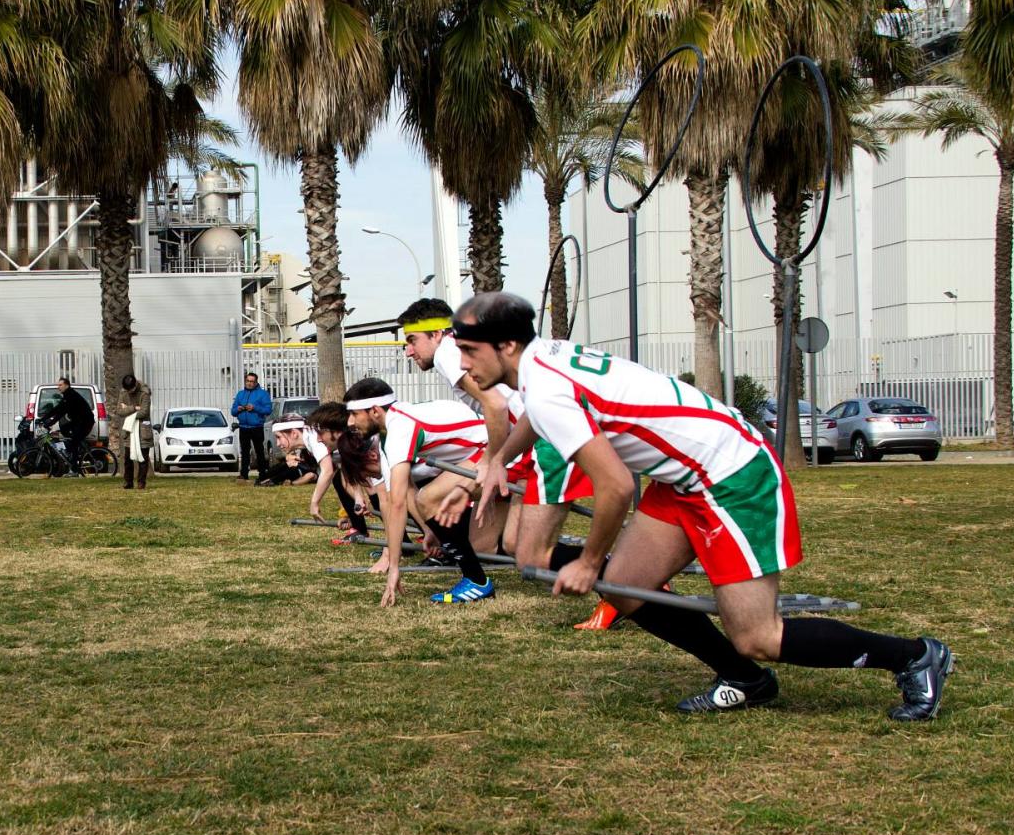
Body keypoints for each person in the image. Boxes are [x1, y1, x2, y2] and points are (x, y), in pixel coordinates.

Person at [457, 291, 954, 720]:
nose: (462, 364)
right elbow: (546, 410)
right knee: (626, 591)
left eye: (469, 351)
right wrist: (501, 456)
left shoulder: (543, 388)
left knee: (759, 636)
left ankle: (913, 657)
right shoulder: (544, 358)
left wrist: (588, 562)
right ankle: (744, 680)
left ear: (507, 346)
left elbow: (615, 488)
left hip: (731, 473)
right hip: (684, 477)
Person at [399, 297, 616, 631]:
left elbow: (496, 406)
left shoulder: (448, 352)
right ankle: (476, 578)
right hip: (524, 443)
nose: (408, 351)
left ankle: (624, 576)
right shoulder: (461, 349)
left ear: (438, 333)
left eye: (411, 340)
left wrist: (490, 461)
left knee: (429, 499)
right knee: (507, 545)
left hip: (540, 443)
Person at [343, 377, 499, 608]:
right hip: (486, 452)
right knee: (512, 551)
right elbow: (401, 492)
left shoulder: (400, 428)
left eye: (354, 414)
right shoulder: (390, 430)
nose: (349, 422)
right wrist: (430, 530)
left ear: (375, 411)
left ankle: (476, 581)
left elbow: (397, 504)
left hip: (498, 451)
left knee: (428, 497)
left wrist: (394, 568)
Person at [304, 402, 370, 544]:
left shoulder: (361, 442)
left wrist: (314, 503)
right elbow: (349, 475)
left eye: (321, 433)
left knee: (382, 497)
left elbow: (328, 471)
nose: (319, 439)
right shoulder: (345, 446)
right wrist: (354, 504)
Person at [39, 377, 95, 475]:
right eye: (58, 385)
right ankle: (69, 451)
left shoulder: (71, 396)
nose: (58, 387)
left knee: (74, 442)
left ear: (66, 385)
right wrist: (43, 419)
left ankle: (74, 470)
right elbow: (57, 409)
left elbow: (61, 412)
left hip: (85, 423)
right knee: (64, 429)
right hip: (78, 422)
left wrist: (49, 423)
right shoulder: (67, 395)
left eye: (60, 385)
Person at [230, 372, 273, 481]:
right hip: (244, 427)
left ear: (256, 382)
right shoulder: (240, 394)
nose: (249, 383)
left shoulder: (263, 394)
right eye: (248, 381)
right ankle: (244, 474)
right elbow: (233, 411)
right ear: (245, 381)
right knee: (244, 452)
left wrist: (255, 408)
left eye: (252, 381)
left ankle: (262, 474)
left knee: (259, 451)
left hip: (257, 427)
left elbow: (268, 410)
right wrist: (238, 409)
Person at [114, 373, 152, 489]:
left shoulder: (144, 392)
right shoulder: (123, 392)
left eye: (132, 390)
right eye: (128, 390)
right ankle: (128, 482)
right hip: (129, 429)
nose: (130, 392)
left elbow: (144, 412)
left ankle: (141, 482)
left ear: (135, 384)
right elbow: (119, 411)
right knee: (128, 458)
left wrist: (128, 408)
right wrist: (134, 408)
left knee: (143, 457)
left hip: (142, 429)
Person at [261, 415, 319, 486]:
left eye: (279, 437)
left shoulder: (318, 444)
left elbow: (326, 470)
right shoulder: (308, 446)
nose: (278, 444)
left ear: (294, 433)